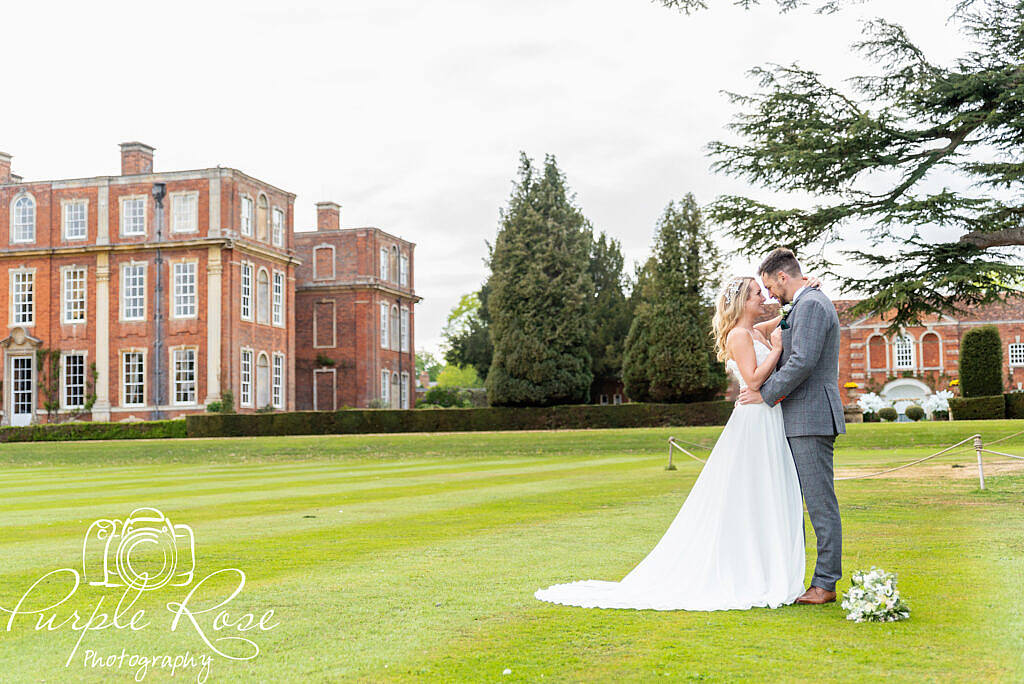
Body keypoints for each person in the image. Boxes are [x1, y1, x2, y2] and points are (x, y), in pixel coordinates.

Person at [533, 271, 822, 611]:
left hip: (768, 418)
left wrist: (803, 293)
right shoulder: (739, 336)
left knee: (768, 489)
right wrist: (775, 352)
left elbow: (781, 319)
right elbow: (754, 380)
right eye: (758, 293)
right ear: (744, 301)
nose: (765, 298)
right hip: (755, 419)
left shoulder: (754, 330)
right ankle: (750, 569)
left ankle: (769, 563)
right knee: (751, 490)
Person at [738, 247, 845, 605]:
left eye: (770, 287)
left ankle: (826, 584)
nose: (769, 295)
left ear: (783, 277)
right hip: (799, 416)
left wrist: (764, 393)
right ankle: (800, 576)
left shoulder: (812, 305)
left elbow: (802, 362)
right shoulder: (803, 303)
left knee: (819, 503)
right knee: (796, 501)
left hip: (811, 416)